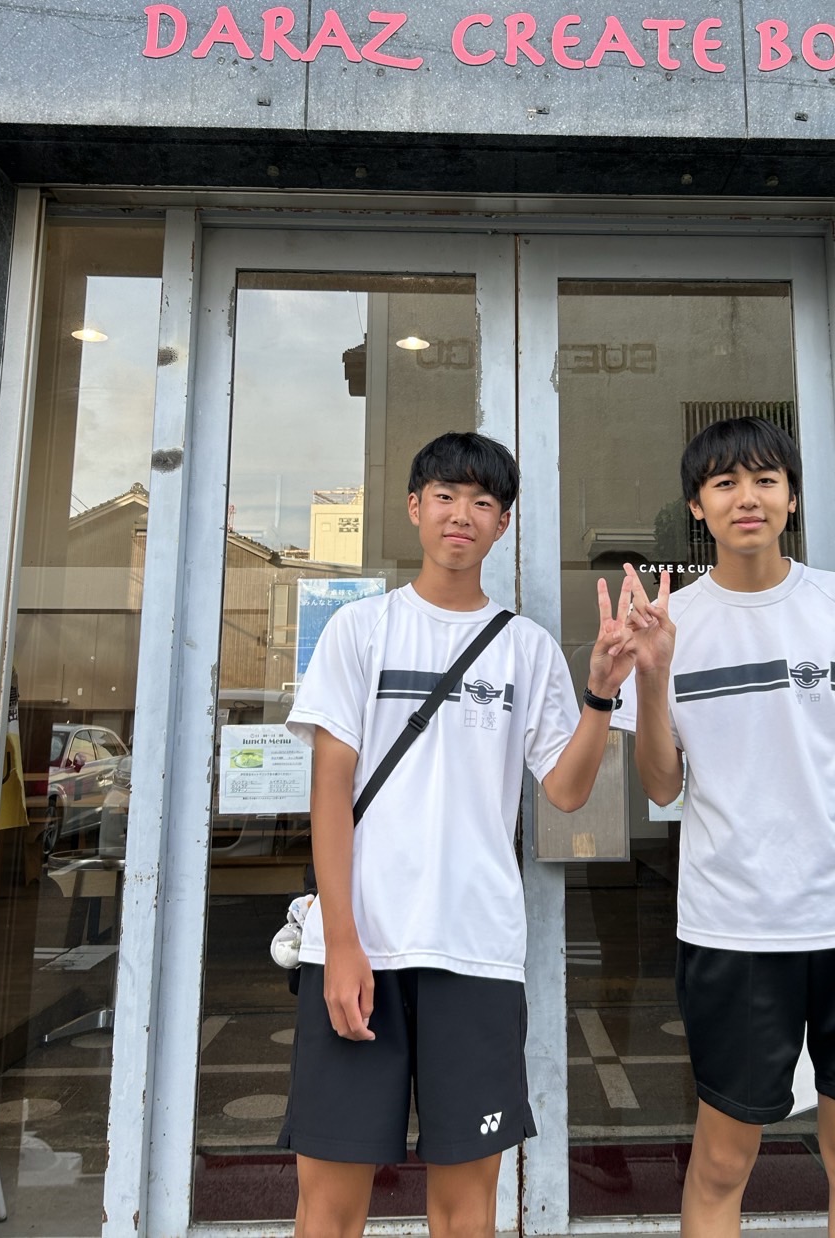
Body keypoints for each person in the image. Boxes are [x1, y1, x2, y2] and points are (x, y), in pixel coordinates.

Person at [280, 431, 635, 1238]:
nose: (461, 515)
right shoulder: (361, 631)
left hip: (475, 953)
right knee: (328, 1205)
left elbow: (567, 791)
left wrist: (600, 696)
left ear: (503, 524)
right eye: (445, 496)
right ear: (414, 507)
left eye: (482, 502)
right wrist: (342, 942)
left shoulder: (526, 648)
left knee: (467, 1209)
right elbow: (330, 792)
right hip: (359, 949)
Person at [620, 416, 835, 1238]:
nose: (746, 498)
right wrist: (652, 678)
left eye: (765, 480)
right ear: (697, 505)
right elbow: (662, 784)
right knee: (722, 1162)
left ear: (791, 497)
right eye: (724, 483)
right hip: (734, 926)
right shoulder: (674, 624)